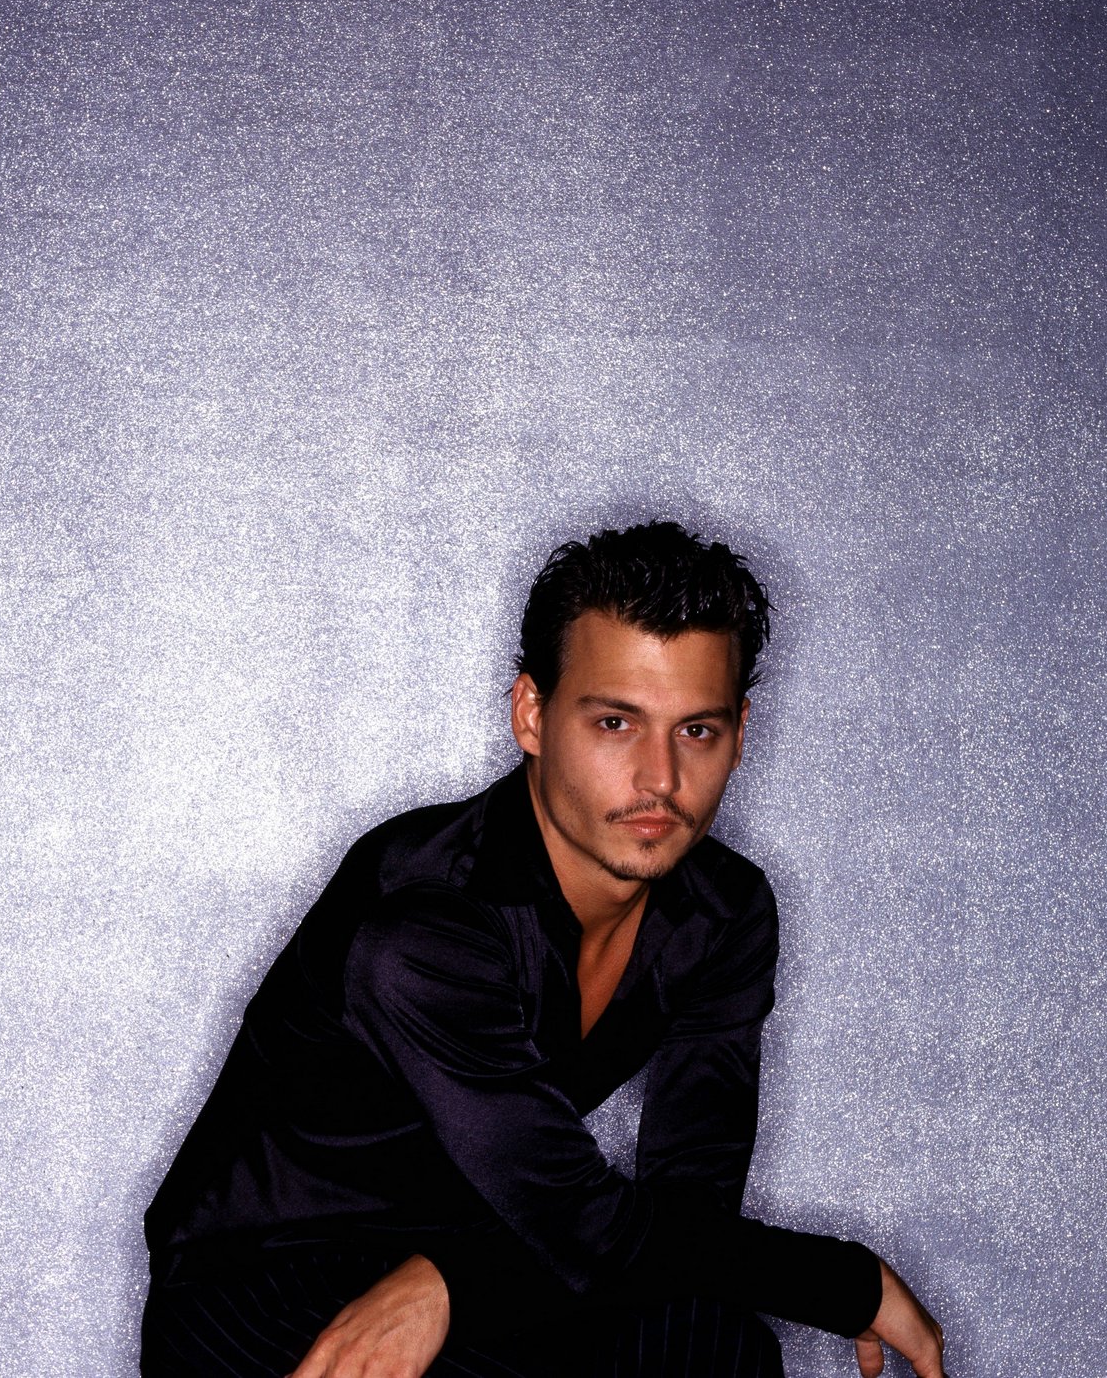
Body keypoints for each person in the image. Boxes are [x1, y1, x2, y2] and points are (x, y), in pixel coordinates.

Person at [140, 522, 945, 1378]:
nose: (660, 780)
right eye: (616, 723)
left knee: (710, 1340)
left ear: (740, 733)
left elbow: (689, 1216)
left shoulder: (724, 911)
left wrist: (453, 1281)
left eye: (696, 732)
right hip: (267, 1275)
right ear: (532, 714)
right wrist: (846, 1284)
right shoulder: (424, 923)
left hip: (488, 1248)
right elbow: (584, 1227)